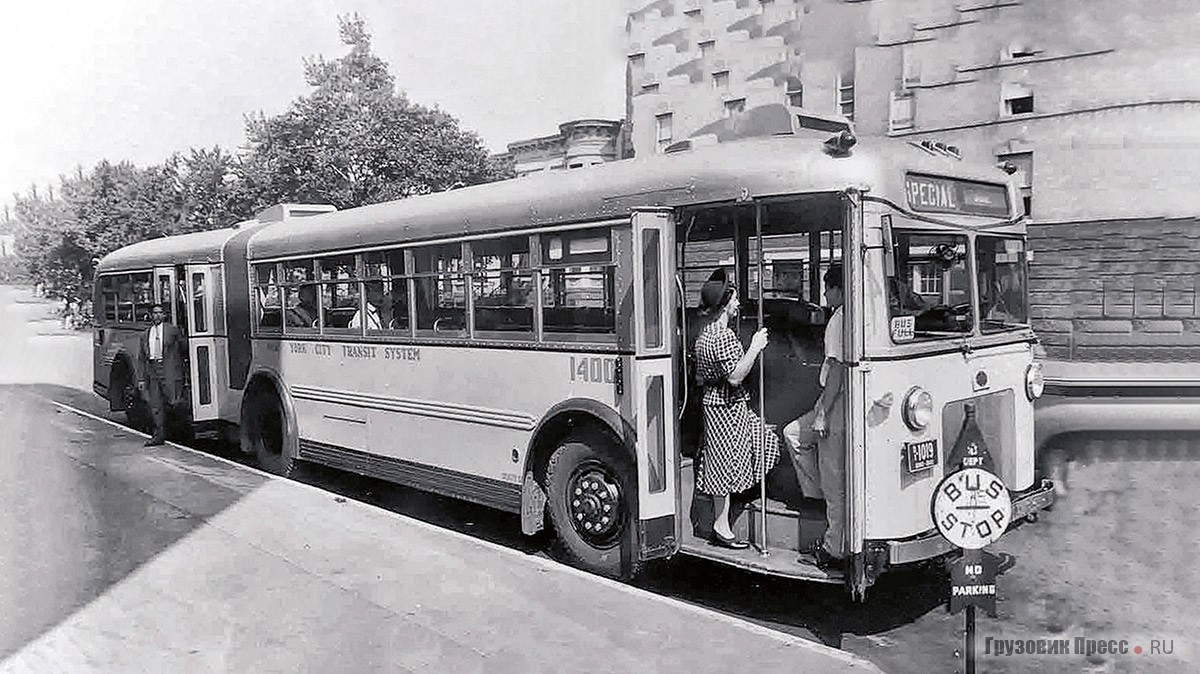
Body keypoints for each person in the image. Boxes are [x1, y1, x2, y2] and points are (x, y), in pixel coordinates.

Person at [693, 269, 781, 549]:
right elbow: (735, 376)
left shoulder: (705, 335)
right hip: (727, 406)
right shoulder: (724, 337)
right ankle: (722, 525)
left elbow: (700, 376)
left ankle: (728, 511)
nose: (739, 304)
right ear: (724, 304)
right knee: (756, 447)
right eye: (735, 299)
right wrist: (755, 347)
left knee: (726, 459)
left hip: (716, 404)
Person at [782, 264, 847, 570]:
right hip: (842, 399)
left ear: (837, 289)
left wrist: (822, 412)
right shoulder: (855, 315)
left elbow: (835, 369)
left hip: (835, 403)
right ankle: (819, 498)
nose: (823, 294)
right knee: (797, 434)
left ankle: (833, 548)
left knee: (832, 476)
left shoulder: (838, 320)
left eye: (827, 288)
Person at [138, 303, 186, 446]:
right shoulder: (145, 334)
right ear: (151, 315)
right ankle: (158, 436)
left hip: (170, 370)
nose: (157, 315)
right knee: (155, 405)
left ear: (164, 315)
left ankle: (180, 434)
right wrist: (141, 378)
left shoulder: (173, 331)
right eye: (155, 313)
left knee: (174, 402)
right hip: (153, 370)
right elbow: (141, 357)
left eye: (160, 313)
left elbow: (183, 348)